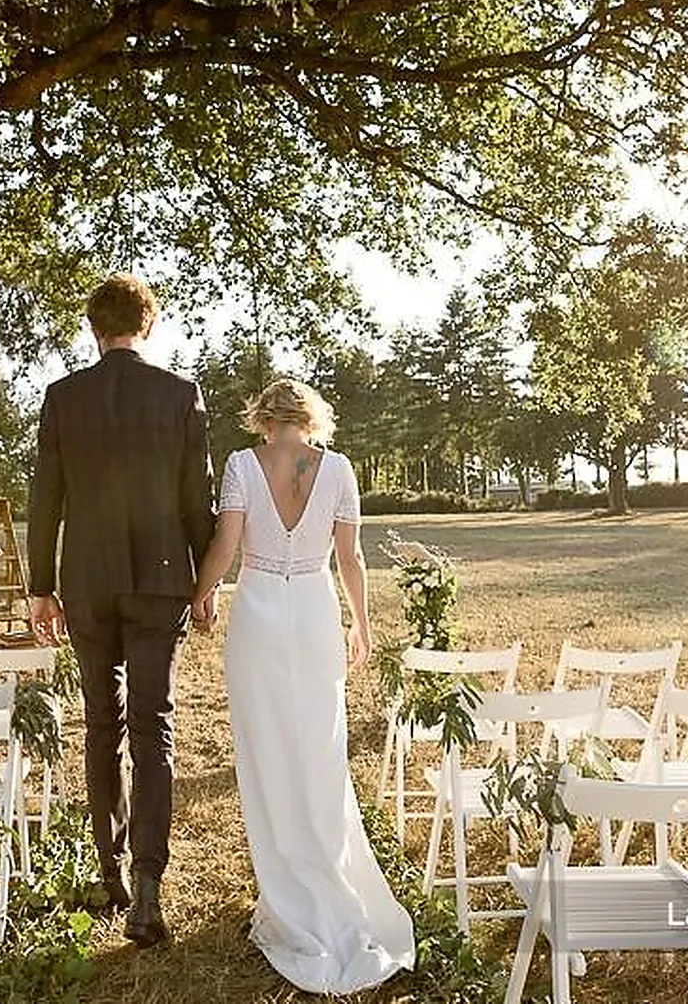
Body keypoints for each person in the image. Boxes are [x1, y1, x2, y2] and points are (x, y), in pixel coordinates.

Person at [192, 378, 415, 994]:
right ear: (311, 418)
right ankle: (323, 876)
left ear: (264, 417)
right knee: (320, 750)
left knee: (265, 752)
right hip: (316, 613)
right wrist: (362, 624)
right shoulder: (337, 468)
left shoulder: (243, 465)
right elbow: (351, 558)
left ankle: (287, 895)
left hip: (259, 616)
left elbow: (227, 544)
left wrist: (201, 592)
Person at [27, 273, 216, 947]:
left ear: (93, 329)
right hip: (161, 582)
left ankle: (109, 872)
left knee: (101, 724)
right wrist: (205, 581)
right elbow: (197, 500)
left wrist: (40, 586)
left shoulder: (62, 397)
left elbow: (45, 499)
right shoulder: (179, 394)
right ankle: (147, 886)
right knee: (152, 726)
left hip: (86, 581)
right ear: (149, 324)